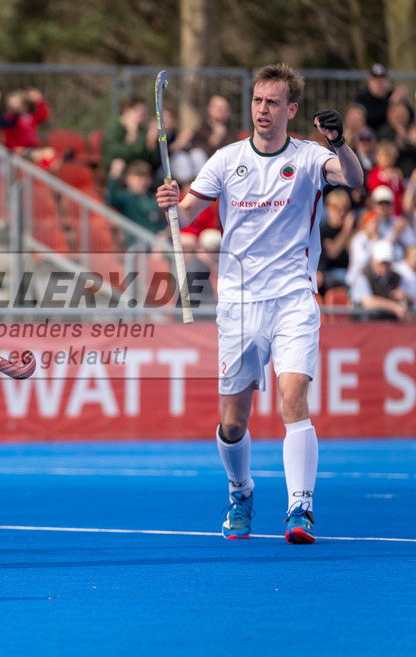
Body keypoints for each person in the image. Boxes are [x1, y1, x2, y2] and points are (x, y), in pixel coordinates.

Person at [155, 63, 363, 545]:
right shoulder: (226, 159)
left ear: (291, 109)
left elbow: (353, 178)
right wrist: (170, 203)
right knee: (233, 423)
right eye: (257, 100)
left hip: (293, 297)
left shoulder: (310, 157)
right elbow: (185, 212)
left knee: (294, 399)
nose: (262, 109)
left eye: (273, 102)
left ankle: (300, 508)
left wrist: (339, 142)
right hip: (240, 303)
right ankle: (240, 491)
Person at [351, 239, 410, 320]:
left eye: (387, 262)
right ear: (373, 260)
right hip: (365, 324)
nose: (384, 266)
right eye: (381, 262)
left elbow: (407, 302)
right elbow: (367, 302)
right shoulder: (363, 276)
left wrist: (405, 298)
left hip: (390, 324)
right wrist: (394, 306)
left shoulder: (397, 277)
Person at [102, 94, 160, 175]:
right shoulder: (114, 129)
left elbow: (153, 160)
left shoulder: (142, 129)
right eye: (140, 113)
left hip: (142, 171)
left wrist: (151, 144)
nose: (143, 117)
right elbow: (116, 154)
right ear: (127, 111)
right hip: (122, 172)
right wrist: (132, 135)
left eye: (144, 114)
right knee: (118, 165)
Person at [318, 188, 354, 294]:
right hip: (330, 272)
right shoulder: (323, 230)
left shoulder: (353, 230)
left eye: (344, 209)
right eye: (336, 208)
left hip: (350, 272)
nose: (341, 213)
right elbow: (332, 253)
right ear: (328, 209)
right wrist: (346, 230)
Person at [355, 64, 392, 132]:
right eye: (376, 80)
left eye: (382, 79)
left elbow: (409, 116)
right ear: (369, 81)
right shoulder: (361, 99)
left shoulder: (392, 95)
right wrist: (392, 103)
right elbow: (371, 118)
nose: (379, 83)